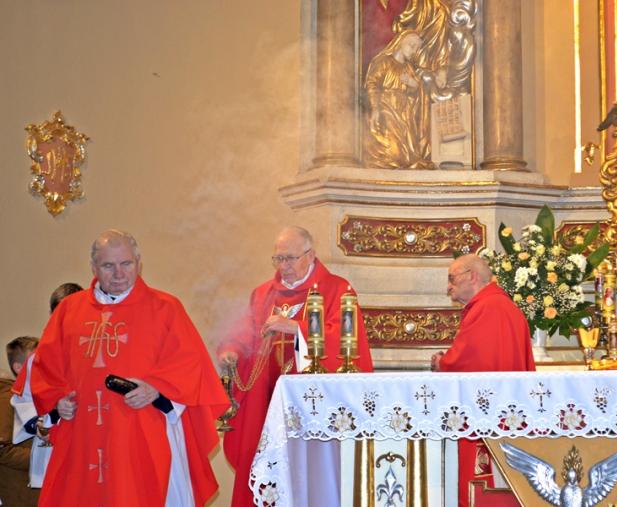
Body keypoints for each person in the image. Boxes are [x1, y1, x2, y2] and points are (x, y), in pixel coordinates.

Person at [30, 229, 228, 507]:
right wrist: (58, 401)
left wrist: (155, 389)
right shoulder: (69, 310)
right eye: (108, 266)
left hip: (142, 428)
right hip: (82, 435)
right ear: (93, 268)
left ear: (138, 263)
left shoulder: (165, 308)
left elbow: (190, 365)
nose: (119, 274)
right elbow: (45, 367)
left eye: (126, 263)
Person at [218, 226, 374, 507]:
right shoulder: (263, 294)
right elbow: (245, 333)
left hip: (314, 406)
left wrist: (296, 328)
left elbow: (345, 342)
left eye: (290, 258)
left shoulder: (337, 289)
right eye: (278, 259)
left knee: (311, 478)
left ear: (310, 255)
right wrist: (232, 350)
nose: (283, 266)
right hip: (266, 403)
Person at [431, 254, 535, 507]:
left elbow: (468, 360)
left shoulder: (487, 308)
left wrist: (442, 363)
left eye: (452, 278)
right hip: (508, 413)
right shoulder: (503, 306)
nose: (448, 287)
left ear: (472, 276)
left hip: (486, 418)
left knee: (484, 488)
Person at [10, 283, 83, 492]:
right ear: (52, 315)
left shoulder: (100, 355)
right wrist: (41, 425)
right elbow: (22, 401)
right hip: (52, 446)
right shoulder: (37, 360)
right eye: (61, 314)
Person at [364, 31, 435, 169]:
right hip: (387, 107)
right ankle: (390, 162)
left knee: (410, 153)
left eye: (417, 48)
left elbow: (416, 92)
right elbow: (372, 84)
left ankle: (405, 162)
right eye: (411, 45)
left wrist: (413, 84)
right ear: (399, 42)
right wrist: (376, 108)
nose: (414, 51)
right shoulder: (384, 62)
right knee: (394, 149)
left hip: (405, 112)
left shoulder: (408, 68)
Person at [1, 336, 40, 506]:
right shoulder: (6, 399)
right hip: (20, 494)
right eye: (38, 361)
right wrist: (42, 457)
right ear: (19, 368)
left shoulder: (37, 396)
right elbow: (3, 449)